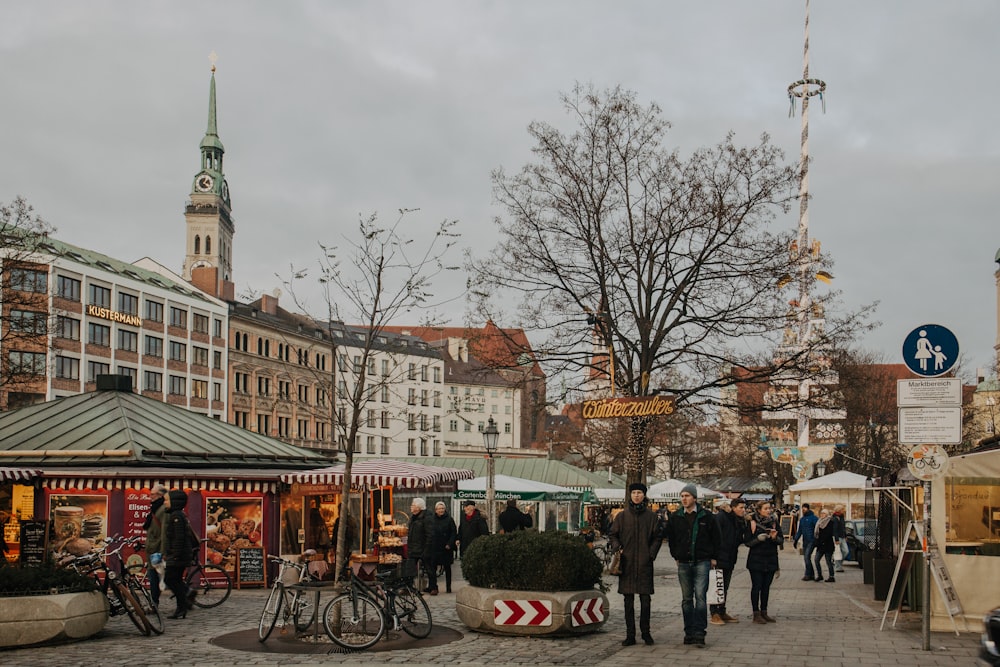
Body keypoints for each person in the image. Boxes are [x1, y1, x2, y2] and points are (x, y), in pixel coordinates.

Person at [664, 483, 721, 648]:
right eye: (682, 496)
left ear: (694, 498)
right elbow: (671, 539)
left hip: (702, 561)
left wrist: (714, 557)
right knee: (686, 599)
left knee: (701, 598)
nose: (684, 499)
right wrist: (676, 555)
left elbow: (716, 538)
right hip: (683, 563)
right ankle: (688, 632)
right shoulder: (676, 517)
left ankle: (699, 632)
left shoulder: (706, 516)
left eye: (687, 496)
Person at [608, 482, 662, 647]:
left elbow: (658, 537)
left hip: (645, 563)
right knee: (628, 600)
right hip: (627, 563)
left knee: (645, 600)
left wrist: (651, 554)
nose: (637, 495)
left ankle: (646, 632)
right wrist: (617, 547)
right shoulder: (622, 516)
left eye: (639, 492)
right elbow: (613, 534)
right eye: (634, 493)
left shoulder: (651, 517)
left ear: (644, 495)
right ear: (630, 495)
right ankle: (630, 634)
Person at [710, 498, 747, 625]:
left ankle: (722, 611)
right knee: (716, 586)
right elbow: (713, 536)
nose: (743, 510)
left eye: (744, 508)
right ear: (733, 507)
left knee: (724, 586)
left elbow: (739, 539)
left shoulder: (738, 520)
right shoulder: (722, 517)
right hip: (719, 557)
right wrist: (713, 556)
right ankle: (714, 613)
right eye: (741, 508)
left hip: (730, 557)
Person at [745, 501, 783, 624]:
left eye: (769, 508)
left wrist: (774, 538)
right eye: (766, 508)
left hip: (771, 559)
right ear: (759, 510)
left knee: (766, 587)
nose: (768, 511)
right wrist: (758, 539)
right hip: (756, 560)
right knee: (757, 586)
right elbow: (747, 542)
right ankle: (756, 613)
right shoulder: (752, 523)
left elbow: (781, 540)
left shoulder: (774, 522)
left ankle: (764, 612)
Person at [164, 490, 195, 619]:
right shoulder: (178, 515)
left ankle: (182, 605)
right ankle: (182, 605)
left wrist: (175, 554)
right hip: (180, 555)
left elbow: (179, 538)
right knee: (175, 580)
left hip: (179, 556)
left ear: (174, 502)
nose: (164, 502)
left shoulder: (176, 516)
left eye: (166, 500)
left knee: (170, 579)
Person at [142, 484, 169, 607]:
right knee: (161, 576)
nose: (150, 496)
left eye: (152, 494)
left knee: (154, 576)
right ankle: (186, 592)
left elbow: (164, 532)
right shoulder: (155, 508)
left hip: (157, 550)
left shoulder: (162, 510)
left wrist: (163, 551)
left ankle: (154, 603)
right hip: (153, 547)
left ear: (160, 495)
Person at [426, 501, 458, 594]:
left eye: (442, 508)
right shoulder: (432, 519)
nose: (441, 510)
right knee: (433, 568)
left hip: (446, 547)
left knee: (447, 567)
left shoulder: (449, 519)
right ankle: (434, 587)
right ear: (435, 510)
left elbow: (453, 533)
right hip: (435, 547)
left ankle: (448, 587)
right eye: (439, 509)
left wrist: (450, 543)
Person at [406, 498, 433, 592]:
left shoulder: (426, 518)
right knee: (410, 568)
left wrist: (427, 549)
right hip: (414, 548)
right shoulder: (413, 517)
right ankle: (408, 587)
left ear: (418, 507)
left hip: (423, 547)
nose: (411, 507)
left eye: (413, 505)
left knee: (429, 568)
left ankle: (433, 587)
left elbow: (430, 534)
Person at [792, 503, 818, 581]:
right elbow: (799, 531)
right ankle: (811, 574)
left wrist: (817, 539)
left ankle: (807, 574)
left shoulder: (813, 518)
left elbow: (817, 529)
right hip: (805, 540)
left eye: (804, 509)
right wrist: (796, 540)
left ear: (808, 509)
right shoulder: (802, 519)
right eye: (802, 509)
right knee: (806, 558)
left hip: (812, 540)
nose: (803, 510)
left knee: (807, 557)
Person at [813, 508, 836, 582]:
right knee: (816, 560)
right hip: (820, 545)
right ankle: (820, 575)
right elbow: (817, 533)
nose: (822, 515)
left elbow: (829, 533)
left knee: (828, 561)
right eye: (821, 513)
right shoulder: (819, 521)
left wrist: (822, 540)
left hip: (828, 545)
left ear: (827, 514)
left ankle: (831, 576)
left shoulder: (830, 522)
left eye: (824, 513)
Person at [832, 505, 847, 572]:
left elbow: (843, 527)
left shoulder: (842, 517)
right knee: (838, 552)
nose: (844, 510)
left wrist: (845, 535)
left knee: (845, 551)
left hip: (842, 537)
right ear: (839, 510)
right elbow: (834, 529)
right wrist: (836, 539)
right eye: (842, 509)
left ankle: (838, 563)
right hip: (837, 537)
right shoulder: (835, 518)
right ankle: (838, 566)